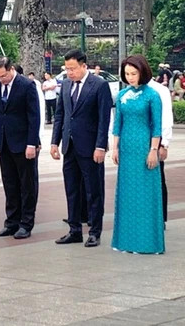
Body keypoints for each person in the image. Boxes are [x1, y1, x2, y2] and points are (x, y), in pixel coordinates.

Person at [51, 49, 113, 247]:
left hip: (91, 147)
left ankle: (95, 231)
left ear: (84, 66)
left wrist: (101, 146)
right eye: (67, 69)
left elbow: (104, 119)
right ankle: (74, 230)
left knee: (93, 191)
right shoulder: (66, 84)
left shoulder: (99, 85)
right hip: (70, 147)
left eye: (73, 68)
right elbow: (60, 115)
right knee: (72, 190)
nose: (70, 73)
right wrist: (55, 142)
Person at [110, 55, 164, 254]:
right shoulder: (122, 95)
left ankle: (148, 242)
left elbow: (156, 126)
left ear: (142, 72)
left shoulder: (152, 95)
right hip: (126, 149)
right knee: (126, 194)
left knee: (146, 194)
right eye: (127, 74)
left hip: (144, 148)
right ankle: (125, 240)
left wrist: (153, 151)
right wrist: (115, 148)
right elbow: (117, 124)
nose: (130, 77)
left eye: (134, 73)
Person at [0, 57, 41, 240]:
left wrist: (31, 143)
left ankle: (26, 223)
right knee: (9, 184)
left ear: (11, 69)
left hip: (23, 142)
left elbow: (34, 116)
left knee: (27, 184)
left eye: (3, 76)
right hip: (4, 142)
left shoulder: (26, 85)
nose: (0, 79)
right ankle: (11, 222)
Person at [147, 73, 174, 224]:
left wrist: (164, 143)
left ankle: (160, 217)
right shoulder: (130, 90)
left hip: (155, 142)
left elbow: (166, 118)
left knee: (157, 179)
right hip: (135, 143)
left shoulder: (159, 90)